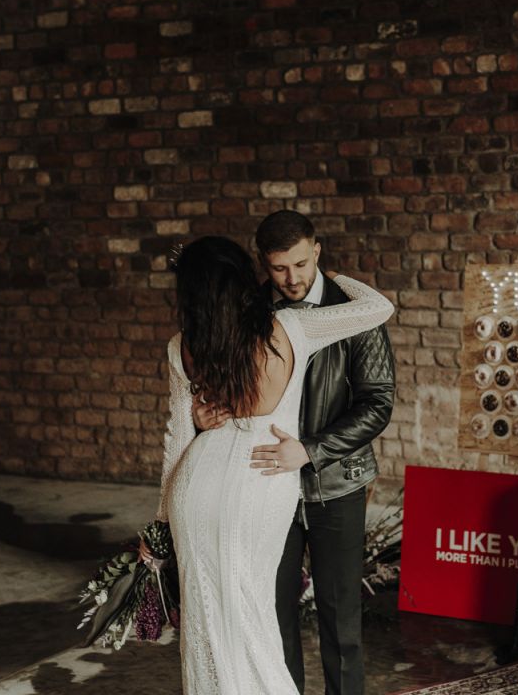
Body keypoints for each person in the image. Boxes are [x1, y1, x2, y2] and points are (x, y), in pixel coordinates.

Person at [154, 235, 394, 695]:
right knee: (255, 617)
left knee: (207, 620)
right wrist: (330, 274)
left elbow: (177, 438)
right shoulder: (289, 327)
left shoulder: (182, 345)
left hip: (195, 486)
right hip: (261, 479)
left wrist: (160, 523)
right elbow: (377, 306)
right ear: (248, 278)